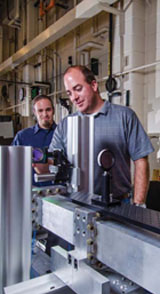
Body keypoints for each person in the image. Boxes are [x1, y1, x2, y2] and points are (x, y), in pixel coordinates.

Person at [49, 65, 154, 206]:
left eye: (78, 89)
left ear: (93, 85)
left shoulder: (124, 116)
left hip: (118, 203)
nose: (74, 98)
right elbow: (51, 162)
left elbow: (141, 160)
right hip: (76, 203)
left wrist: (138, 205)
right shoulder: (65, 124)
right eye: (69, 93)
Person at [12, 94, 57, 187]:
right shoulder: (23, 136)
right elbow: (13, 165)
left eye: (48, 109)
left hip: (59, 190)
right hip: (31, 191)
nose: (45, 114)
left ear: (53, 110)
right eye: (40, 110)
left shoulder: (63, 134)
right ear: (34, 112)